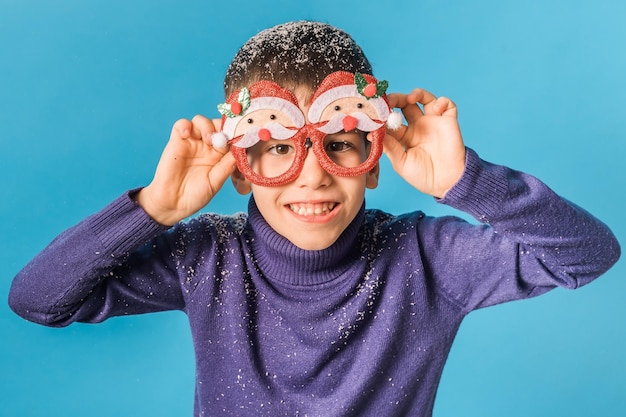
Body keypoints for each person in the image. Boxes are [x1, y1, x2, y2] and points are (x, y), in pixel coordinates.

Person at [8, 20, 621, 417]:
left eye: (341, 143)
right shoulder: (209, 256)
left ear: (375, 160)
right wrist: (153, 210)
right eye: (278, 146)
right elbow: (38, 298)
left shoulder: (427, 258)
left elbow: (589, 254)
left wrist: (466, 180)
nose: (312, 173)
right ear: (241, 168)